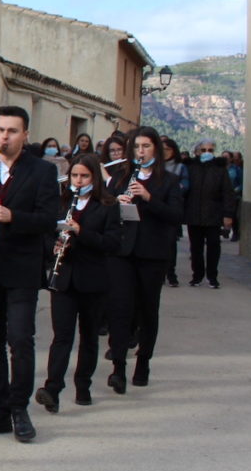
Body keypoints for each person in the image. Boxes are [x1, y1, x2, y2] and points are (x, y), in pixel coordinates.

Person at [0, 106, 60, 444]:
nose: (4, 137)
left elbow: (50, 219)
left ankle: (20, 409)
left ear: (25, 135)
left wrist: (12, 216)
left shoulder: (42, 171)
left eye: (12, 131)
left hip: (21, 268)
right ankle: (0, 411)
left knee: (20, 340)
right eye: (0, 130)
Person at [36, 155, 121, 411]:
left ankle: (82, 386)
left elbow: (113, 243)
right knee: (61, 336)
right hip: (64, 279)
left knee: (88, 337)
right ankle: (52, 388)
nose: (78, 181)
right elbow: (45, 235)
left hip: (93, 279)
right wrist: (54, 246)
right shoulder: (61, 203)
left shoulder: (108, 204)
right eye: (74, 176)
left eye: (84, 176)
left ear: (94, 178)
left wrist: (81, 233)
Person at [105, 127, 184, 391]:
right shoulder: (119, 177)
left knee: (148, 309)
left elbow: (175, 216)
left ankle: (143, 362)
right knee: (119, 308)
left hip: (152, 253)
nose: (141, 151)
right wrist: (117, 203)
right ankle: (118, 367)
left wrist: (148, 198)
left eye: (146, 146)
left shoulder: (169, 181)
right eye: (137, 147)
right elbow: (105, 211)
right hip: (122, 253)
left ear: (156, 150)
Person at [184, 140, 237, 289]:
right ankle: (197, 276)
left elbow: (228, 192)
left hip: (214, 215)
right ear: (197, 152)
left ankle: (212, 276)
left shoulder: (219, 169)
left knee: (214, 246)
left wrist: (228, 215)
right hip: (193, 214)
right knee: (195, 247)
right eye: (204, 149)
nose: (207, 152)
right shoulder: (190, 167)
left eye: (210, 150)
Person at [161, 137, 189, 287]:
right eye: (162, 149)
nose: (165, 152)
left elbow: (185, 185)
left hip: (172, 208)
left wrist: (172, 189)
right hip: (156, 207)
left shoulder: (180, 167)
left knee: (171, 243)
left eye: (168, 149)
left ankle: (171, 273)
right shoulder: (155, 166)